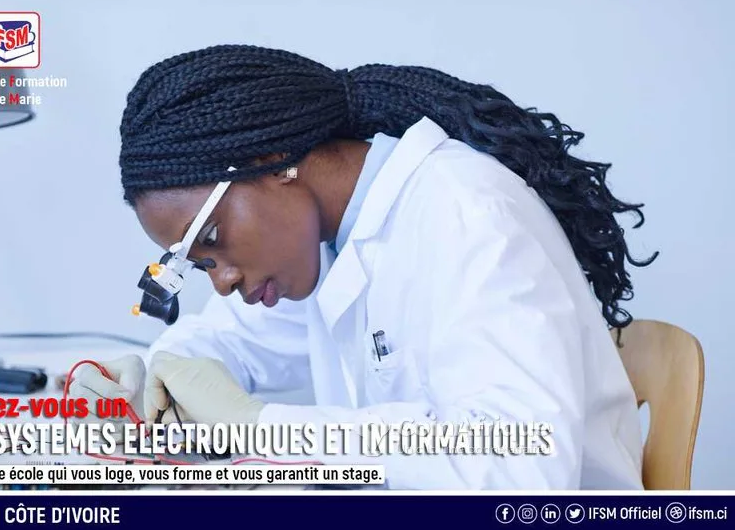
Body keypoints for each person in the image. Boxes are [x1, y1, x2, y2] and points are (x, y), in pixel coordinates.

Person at [70, 44, 657, 489]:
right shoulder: (328, 241)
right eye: (199, 266)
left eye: (214, 239)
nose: (223, 281)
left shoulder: (467, 215)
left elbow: (520, 468)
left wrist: (262, 425)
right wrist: (155, 375)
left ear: (273, 159)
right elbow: (230, 344)